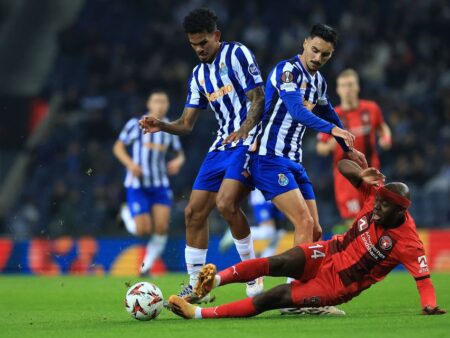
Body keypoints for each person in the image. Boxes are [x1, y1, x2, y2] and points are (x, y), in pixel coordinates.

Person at [167, 159, 446, 319]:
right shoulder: (376, 196)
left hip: (338, 284)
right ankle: (212, 282)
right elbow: (342, 165)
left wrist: (429, 305)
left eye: (384, 207)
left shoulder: (408, 241)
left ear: (400, 210)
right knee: (279, 261)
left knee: (276, 297)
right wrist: (360, 174)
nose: (376, 207)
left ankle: (199, 314)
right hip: (327, 251)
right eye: (378, 202)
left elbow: (424, 281)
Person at [139, 8, 266, 300]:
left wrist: (245, 130)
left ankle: (253, 273)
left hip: (248, 141)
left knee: (225, 204)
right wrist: (162, 125)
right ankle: (198, 286)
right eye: (193, 44)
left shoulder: (237, 54)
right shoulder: (198, 76)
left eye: (203, 43)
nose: (199, 49)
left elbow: (258, 97)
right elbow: (186, 124)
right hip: (221, 145)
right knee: (193, 212)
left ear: (216, 36)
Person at [248, 24, 367, 250]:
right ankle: (295, 285)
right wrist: (332, 130)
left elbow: (329, 113)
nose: (317, 57)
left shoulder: (319, 81)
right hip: (270, 157)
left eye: (325, 54)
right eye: (314, 49)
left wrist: (347, 148)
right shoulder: (288, 71)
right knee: (304, 222)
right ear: (305, 43)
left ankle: (298, 280)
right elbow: (297, 111)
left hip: (294, 161)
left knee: (315, 230)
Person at [113, 90, 185, 275]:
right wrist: (131, 164)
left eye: (164, 101)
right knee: (142, 230)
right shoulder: (135, 124)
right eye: (156, 101)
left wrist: (178, 161)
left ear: (167, 106)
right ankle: (125, 213)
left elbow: (180, 153)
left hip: (160, 184)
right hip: (137, 184)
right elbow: (118, 147)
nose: (160, 104)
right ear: (149, 104)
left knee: (161, 228)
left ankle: (145, 268)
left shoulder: (168, 128)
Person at [317, 68, 392, 227]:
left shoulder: (371, 108)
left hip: (372, 174)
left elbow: (382, 126)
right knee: (355, 223)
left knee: (379, 218)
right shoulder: (332, 116)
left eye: (350, 85)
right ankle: (361, 251)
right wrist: (329, 145)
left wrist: (386, 137)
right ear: (338, 90)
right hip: (346, 180)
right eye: (343, 86)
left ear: (357, 87)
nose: (347, 90)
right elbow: (320, 148)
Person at [219, 189, 286, 258]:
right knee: (268, 231)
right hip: (263, 197)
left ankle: (264, 262)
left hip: (277, 193)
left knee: (279, 233)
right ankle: (236, 233)